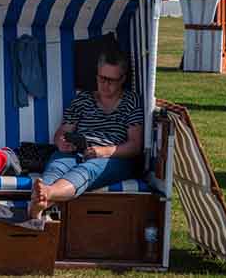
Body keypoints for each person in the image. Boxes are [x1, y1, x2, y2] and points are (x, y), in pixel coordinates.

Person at [29, 48, 142, 220]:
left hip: (113, 158)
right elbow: (62, 131)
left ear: (122, 79)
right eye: (101, 78)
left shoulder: (131, 101)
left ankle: (45, 196)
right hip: (77, 150)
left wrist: (104, 151)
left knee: (87, 169)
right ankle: (40, 203)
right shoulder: (83, 99)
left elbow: (135, 145)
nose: (105, 84)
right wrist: (62, 142)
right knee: (56, 166)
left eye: (111, 80)